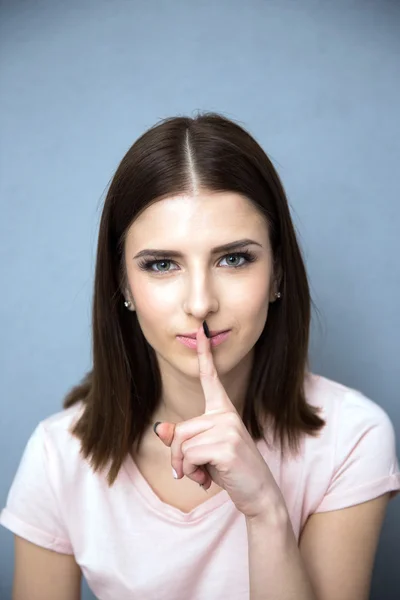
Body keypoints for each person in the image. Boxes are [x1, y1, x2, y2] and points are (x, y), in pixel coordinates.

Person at [1, 113, 399, 600]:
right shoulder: (58, 455)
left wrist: (265, 510)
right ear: (123, 284)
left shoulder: (351, 437)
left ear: (277, 274)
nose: (199, 303)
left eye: (234, 259)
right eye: (162, 265)